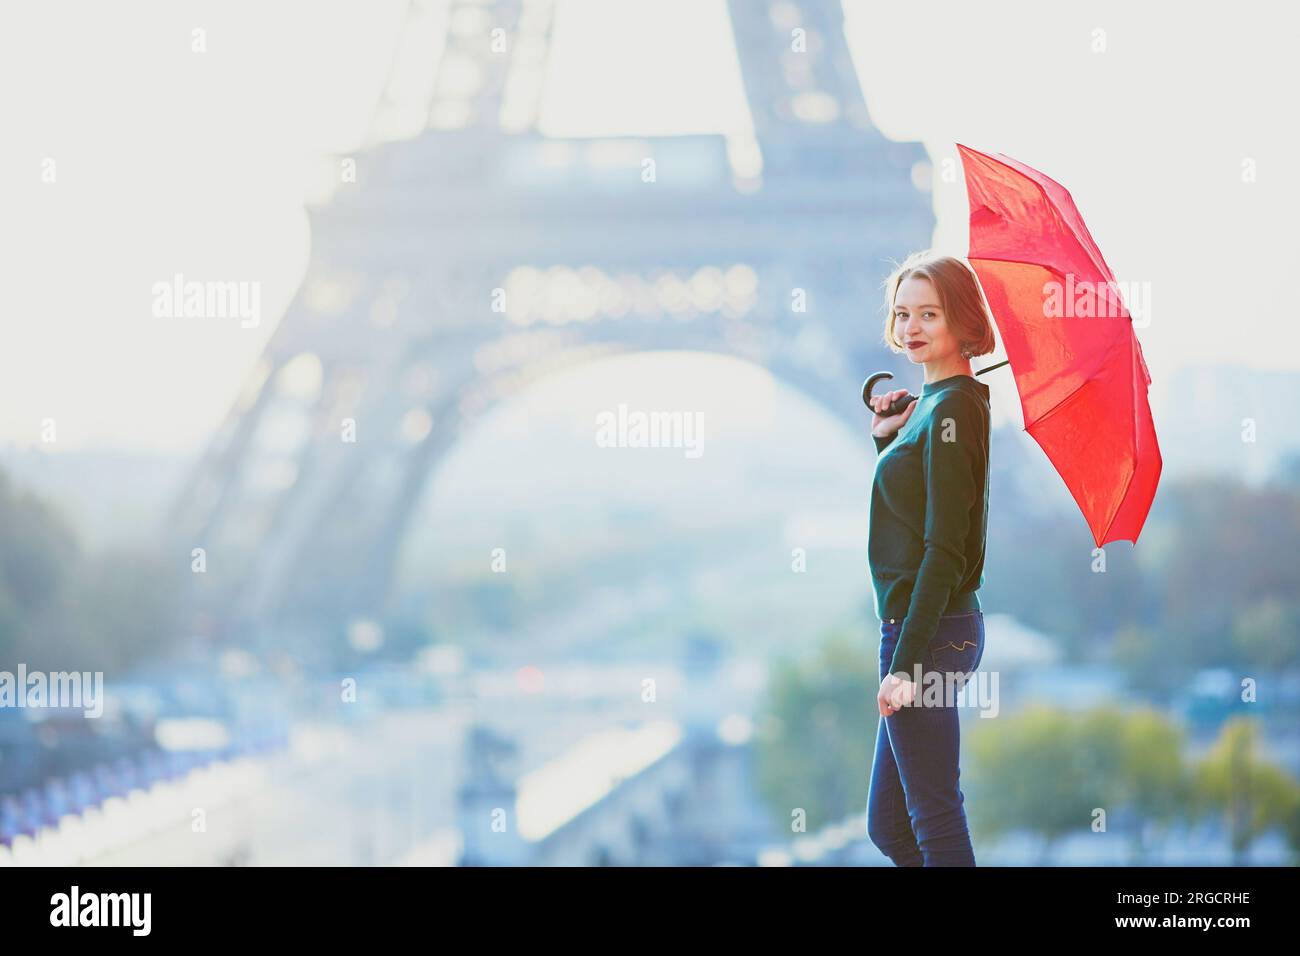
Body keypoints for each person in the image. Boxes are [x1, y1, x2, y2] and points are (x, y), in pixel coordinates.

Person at [864, 251, 996, 867]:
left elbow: (945, 548)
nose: (912, 327)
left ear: (962, 321)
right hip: (922, 630)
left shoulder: (951, 411)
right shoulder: (937, 406)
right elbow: (912, 516)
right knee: (891, 826)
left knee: (934, 820)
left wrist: (907, 664)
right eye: (902, 313)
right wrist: (887, 442)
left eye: (929, 314)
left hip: (929, 635)